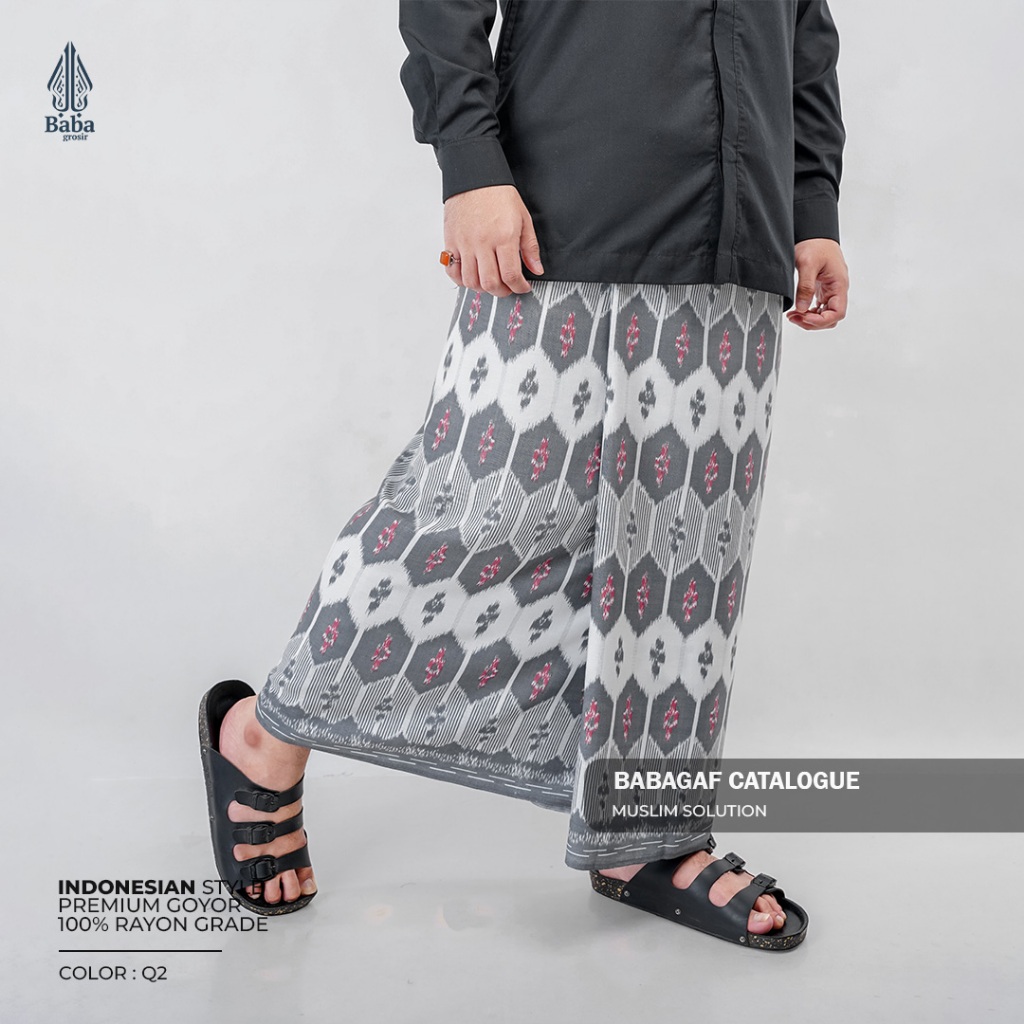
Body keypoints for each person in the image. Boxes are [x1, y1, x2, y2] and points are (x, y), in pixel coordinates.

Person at [199, 0, 848, 951]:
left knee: (684, 563)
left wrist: (811, 201)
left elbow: (805, 32)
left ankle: (643, 834)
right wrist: (470, 164)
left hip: (740, 236)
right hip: (561, 209)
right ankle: (266, 734)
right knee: (480, 509)